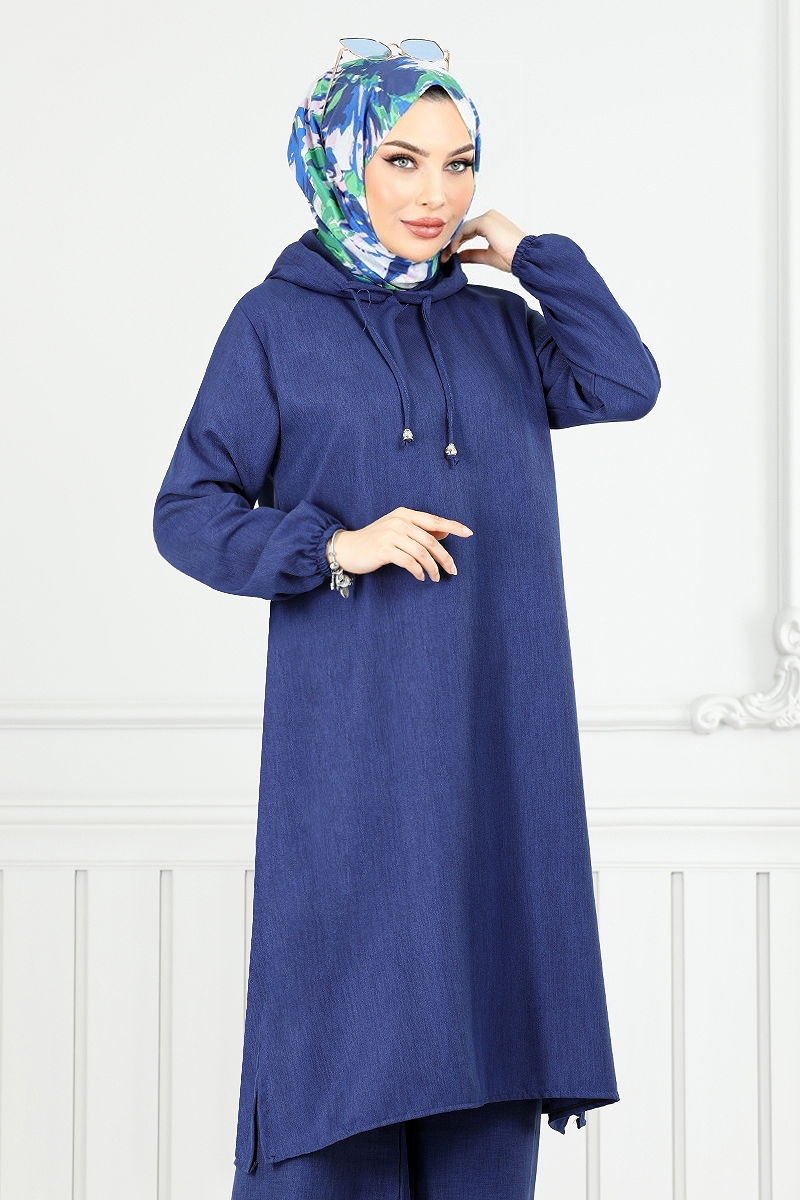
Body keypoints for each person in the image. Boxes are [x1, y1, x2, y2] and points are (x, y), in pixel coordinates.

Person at [152, 45, 661, 1200]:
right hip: (353, 757)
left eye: (457, 164)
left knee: (491, 1039)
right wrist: (331, 544)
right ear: (340, 164)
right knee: (344, 1051)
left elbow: (622, 383)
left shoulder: (498, 327)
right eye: (401, 160)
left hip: (498, 751)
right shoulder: (273, 324)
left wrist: (533, 258)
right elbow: (187, 510)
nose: (434, 193)